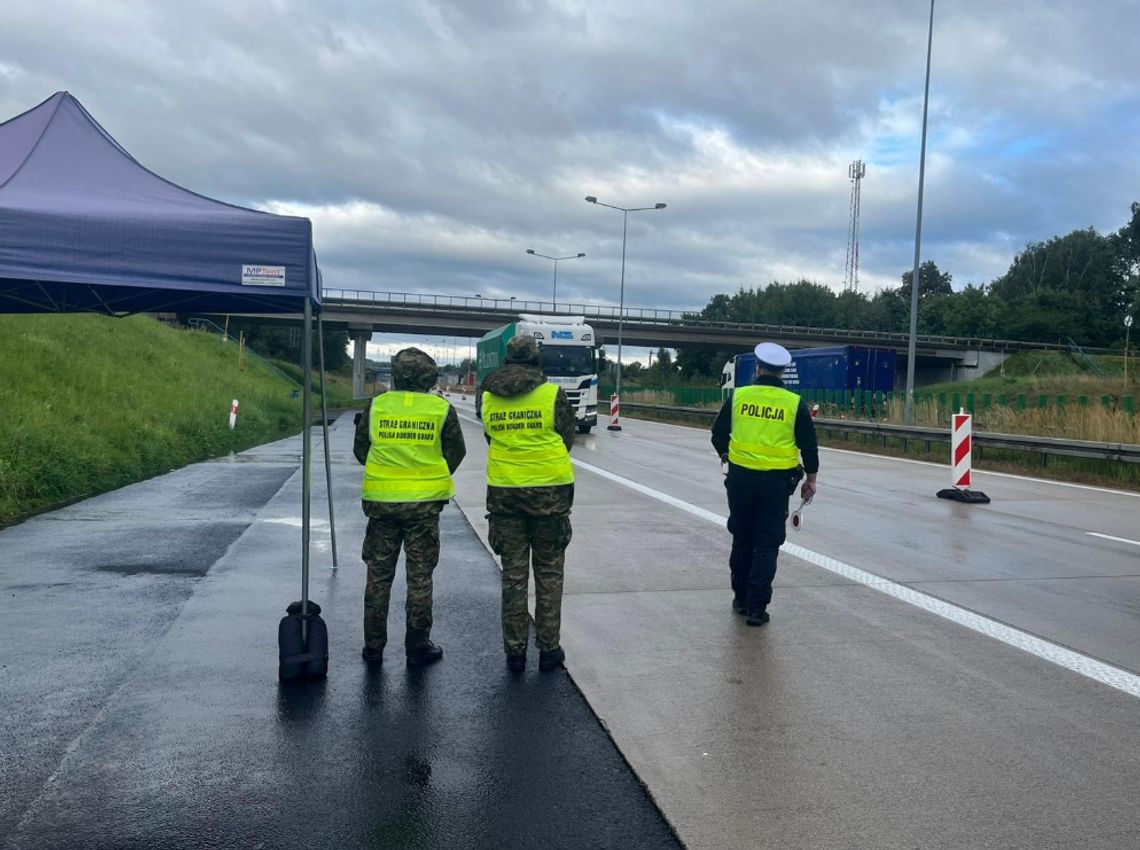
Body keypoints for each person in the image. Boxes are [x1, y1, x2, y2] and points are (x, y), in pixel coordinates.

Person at [353, 347, 466, 667]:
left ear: (396, 375)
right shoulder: (440, 409)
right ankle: (417, 646)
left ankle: (373, 647)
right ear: (428, 377)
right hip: (423, 508)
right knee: (420, 577)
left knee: (378, 577)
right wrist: (429, 475)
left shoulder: (377, 406)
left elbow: (361, 450)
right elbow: (455, 452)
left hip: (382, 507)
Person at [480, 335, 576, 673]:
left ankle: (515, 652)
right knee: (549, 572)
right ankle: (549, 649)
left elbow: (490, 436)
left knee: (513, 575)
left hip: (505, 493)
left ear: (507, 360)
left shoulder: (488, 396)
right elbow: (567, 437)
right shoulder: (552, 394)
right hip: (550, 494)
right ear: (537, 360)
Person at [711, 342, 818, 626]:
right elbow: (809, 445)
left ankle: (740, 599)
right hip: (776, 484)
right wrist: (811, 479)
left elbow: (718, 434)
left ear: (758, 369)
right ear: (782, 372)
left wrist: (728, 456)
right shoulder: (794, 403)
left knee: (742, 538)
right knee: (767, 544)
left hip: (740, 480)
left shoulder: (739, 396)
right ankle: (757, 609)